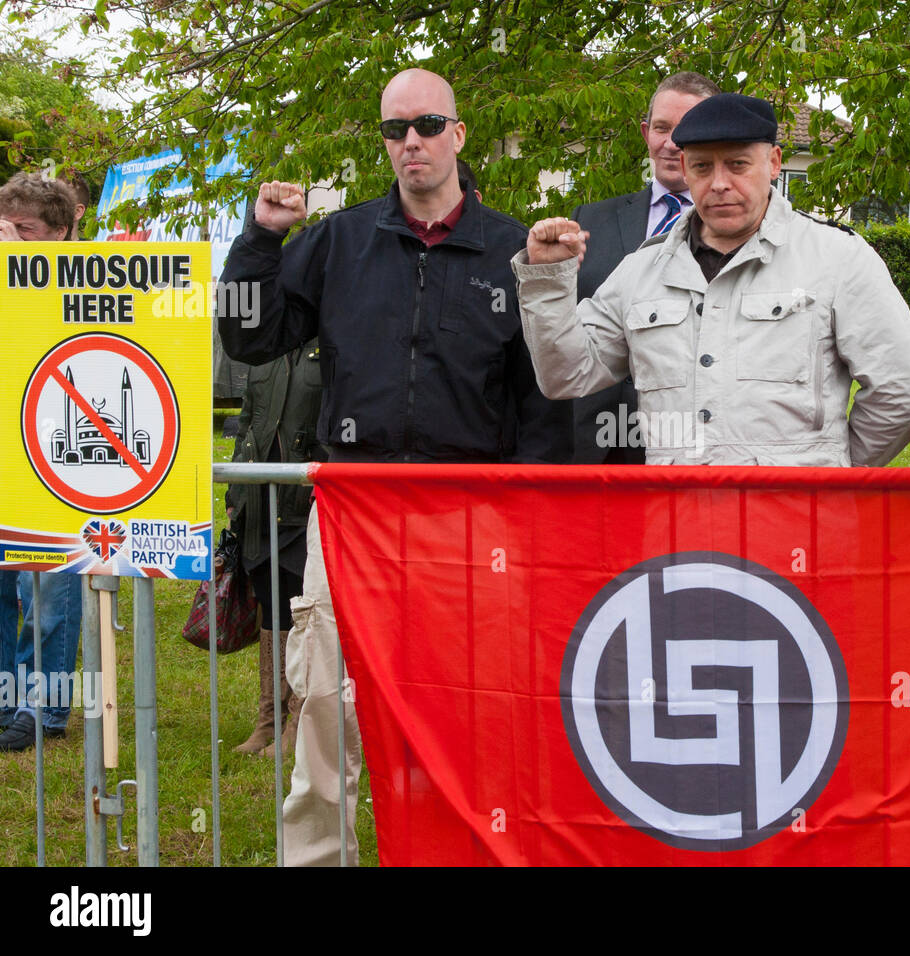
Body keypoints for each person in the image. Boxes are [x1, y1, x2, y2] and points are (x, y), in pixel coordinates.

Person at [218, 69, 571, 865]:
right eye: (394, 129)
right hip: (353, 512)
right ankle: (318, 859)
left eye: (427, 124)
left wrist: (523, 517)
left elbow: (546, 400)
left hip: (470, 518)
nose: (410, 141)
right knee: (322, 708)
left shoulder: (515, 249)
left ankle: (461, 851)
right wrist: (259, 239)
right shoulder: (340, 240)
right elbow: (249, 337)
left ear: (458, 135)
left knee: (468, 711)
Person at [513, 93, 910, 467]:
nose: (719, 183)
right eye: (701, 167)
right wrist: (548, 280)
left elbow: (902, 393)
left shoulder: (838, 258)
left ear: (774, 163)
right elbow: (566, 375)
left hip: (793, 524)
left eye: (737, 164)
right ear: (686, 172)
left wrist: (826, 471)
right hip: (677, 523)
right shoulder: (642, 271)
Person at [569, 72, 721, 463]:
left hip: (688, 451)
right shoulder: (590, 220)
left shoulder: (735, 230)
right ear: (645, 132)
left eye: (686, 130)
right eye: (661, 128)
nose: (671, 143)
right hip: (592, 449)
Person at [0, 173, 85, 751]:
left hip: (56, 453)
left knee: (50, 585)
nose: (12, 238)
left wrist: (20, 268)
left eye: (25, 230)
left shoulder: (83, 282)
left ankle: (44, 708)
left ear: (62, 231)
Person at [224, 340, 325, 755]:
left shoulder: (329, 345)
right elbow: (247, 422)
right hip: (260, 503)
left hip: (302, 505)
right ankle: (269, 719)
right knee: (270, 605)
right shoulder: (264, 348)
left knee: (302, 609)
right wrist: (235, 489)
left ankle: (299, 720)